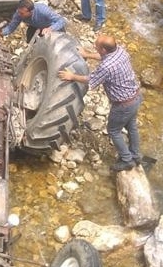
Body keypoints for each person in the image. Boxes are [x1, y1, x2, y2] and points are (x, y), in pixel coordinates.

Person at [58, 34, 143, 172]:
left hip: (123, 104)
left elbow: (91, 81)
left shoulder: (106, 67)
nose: (94, 47)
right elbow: (103, 57)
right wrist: (87, 54)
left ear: (103, 49)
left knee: (113, 131)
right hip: (135, 97)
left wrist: (72, 76)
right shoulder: (120, 51)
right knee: (132, 126)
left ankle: (127, 160)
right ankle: (136, 155)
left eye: (96, 46)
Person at [0, 0, 67, 43]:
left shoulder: (43, 11)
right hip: (36, 26)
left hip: (53, 28)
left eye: (22, 13)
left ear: (31, 12)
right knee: (30, 40)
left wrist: (50, 29)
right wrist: (1, 33)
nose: (19, 15)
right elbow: (11, 27)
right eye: (19, 12)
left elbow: (61, 20)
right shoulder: (19, 13)